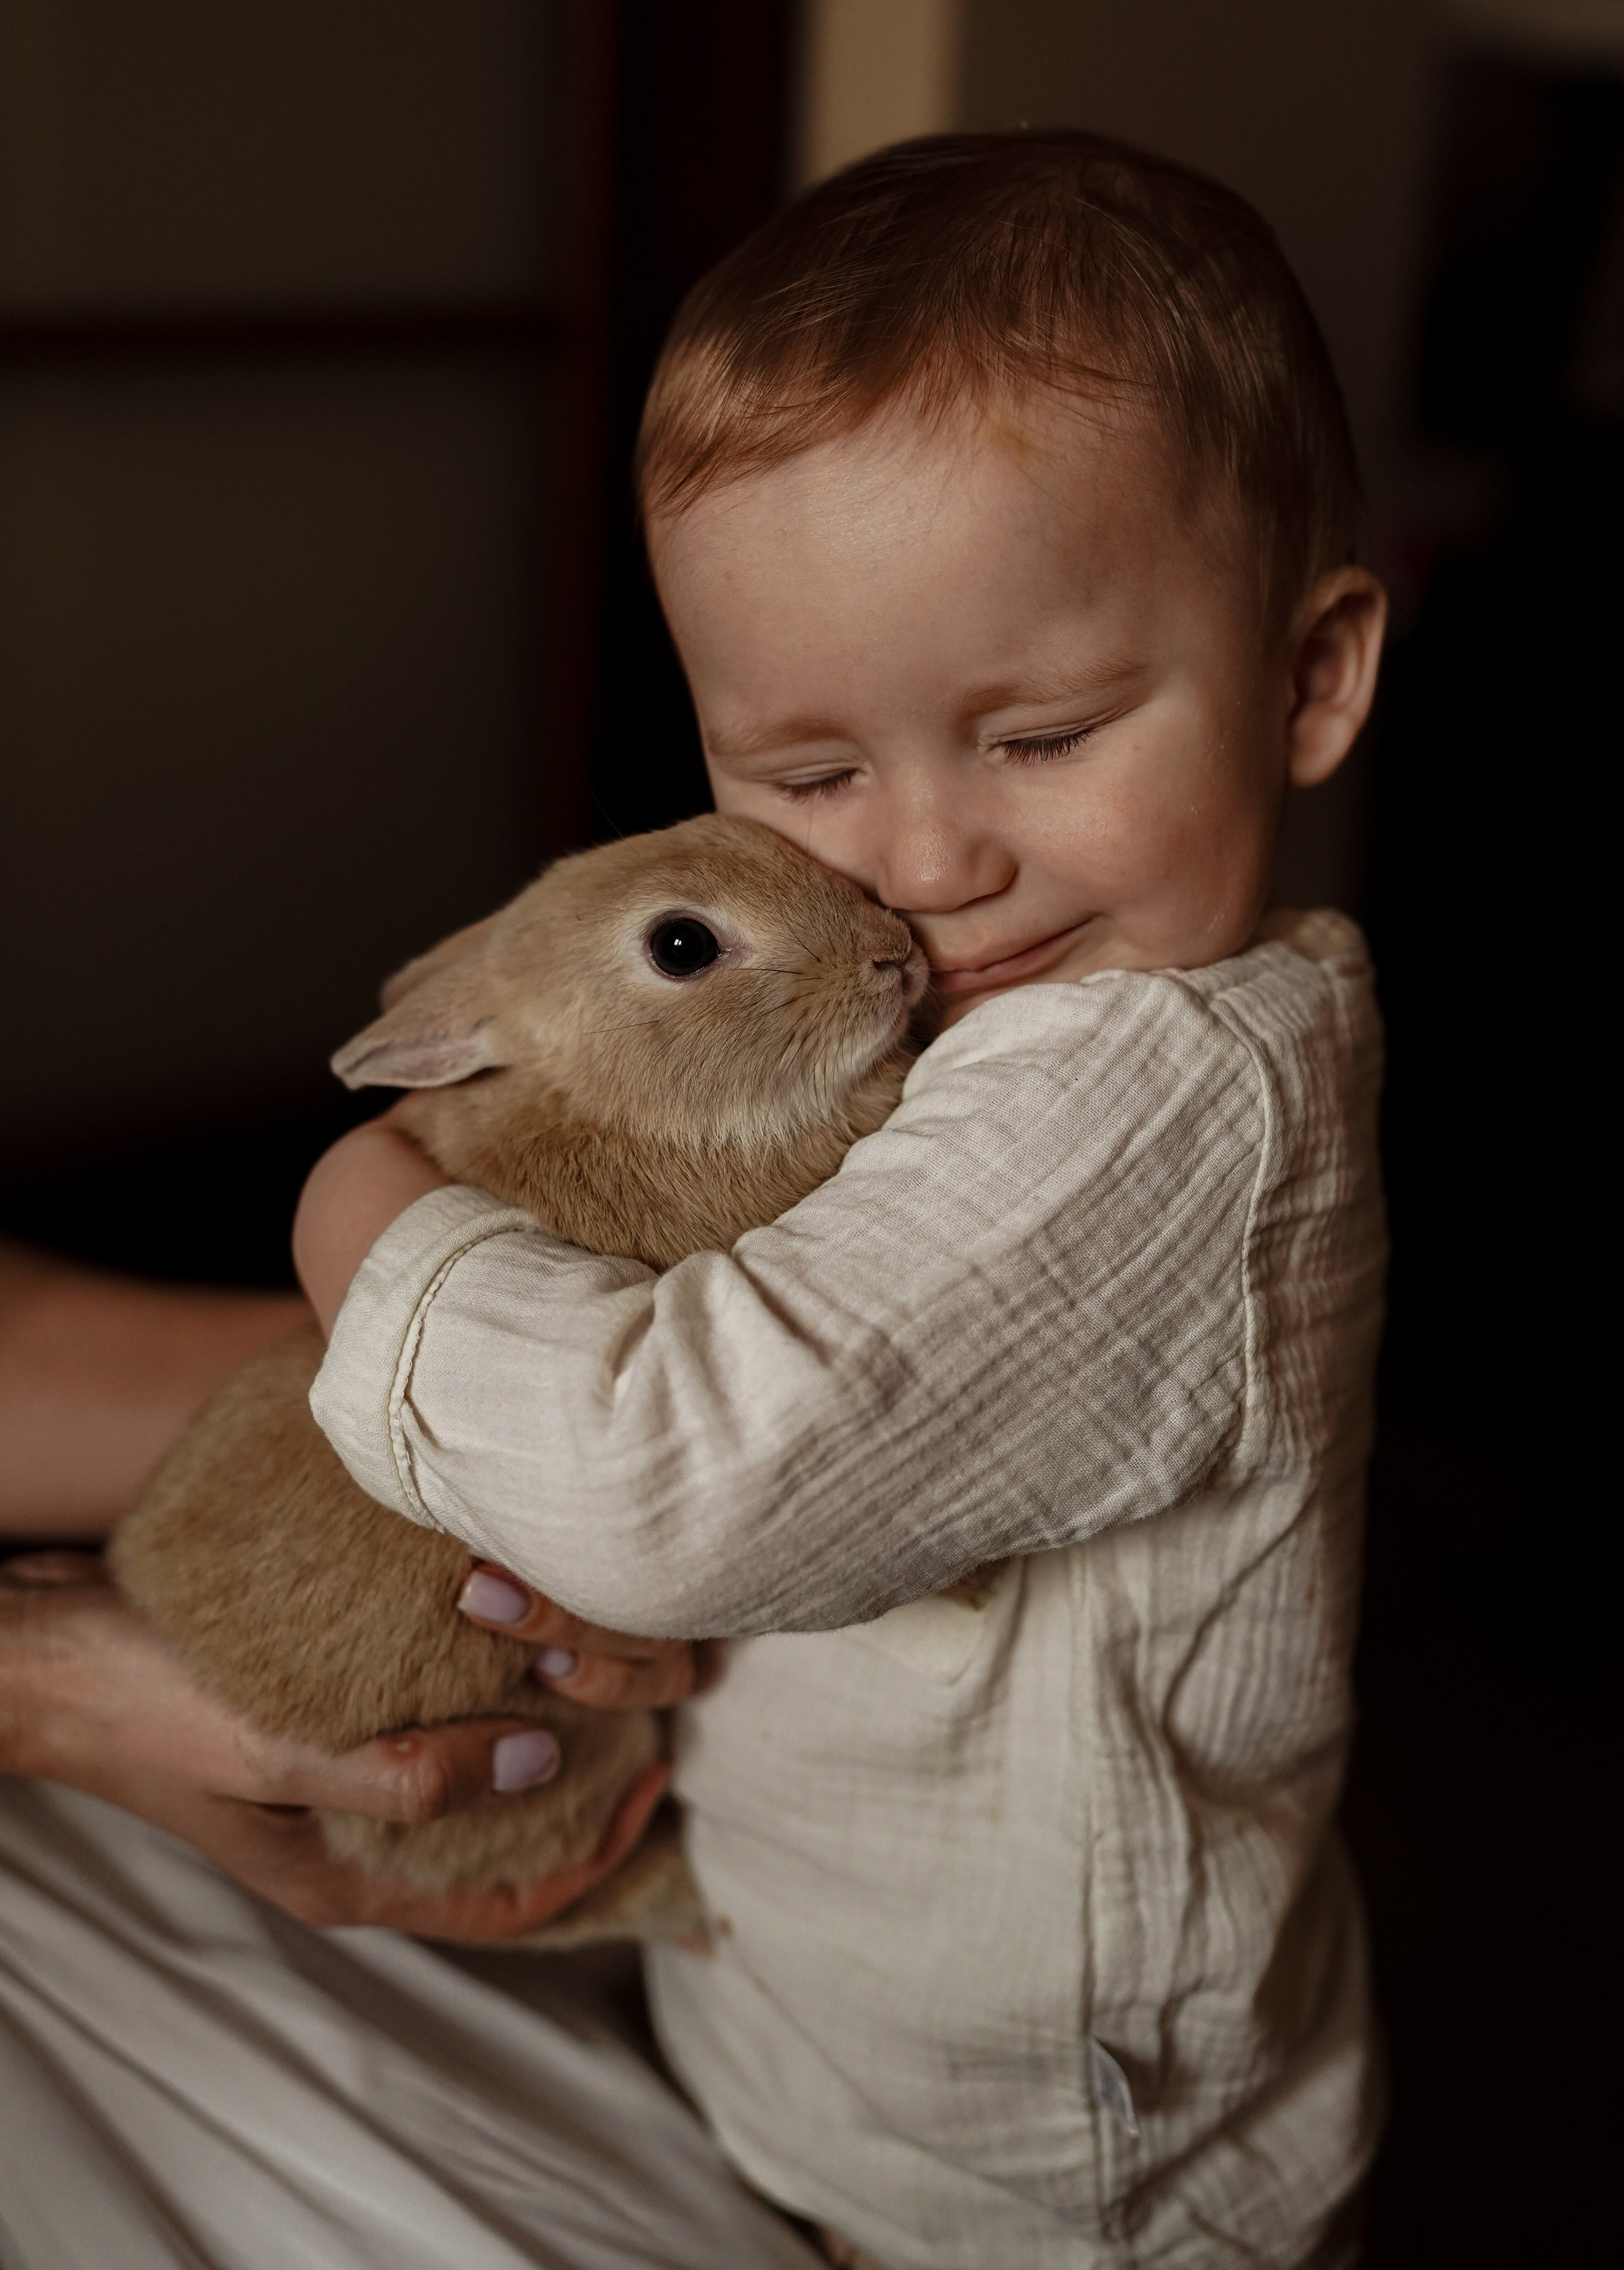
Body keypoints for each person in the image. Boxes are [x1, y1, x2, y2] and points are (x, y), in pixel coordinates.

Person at [2, 133, 1388, 2269]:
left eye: (1040, 735)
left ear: (1311, 678)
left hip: (1046, 2170)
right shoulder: (1033, 1005)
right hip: (821, 2035)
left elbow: (677, 1490)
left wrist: (366, 1215)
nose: (921, 870)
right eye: (811, 775)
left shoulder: (1155, 1092)